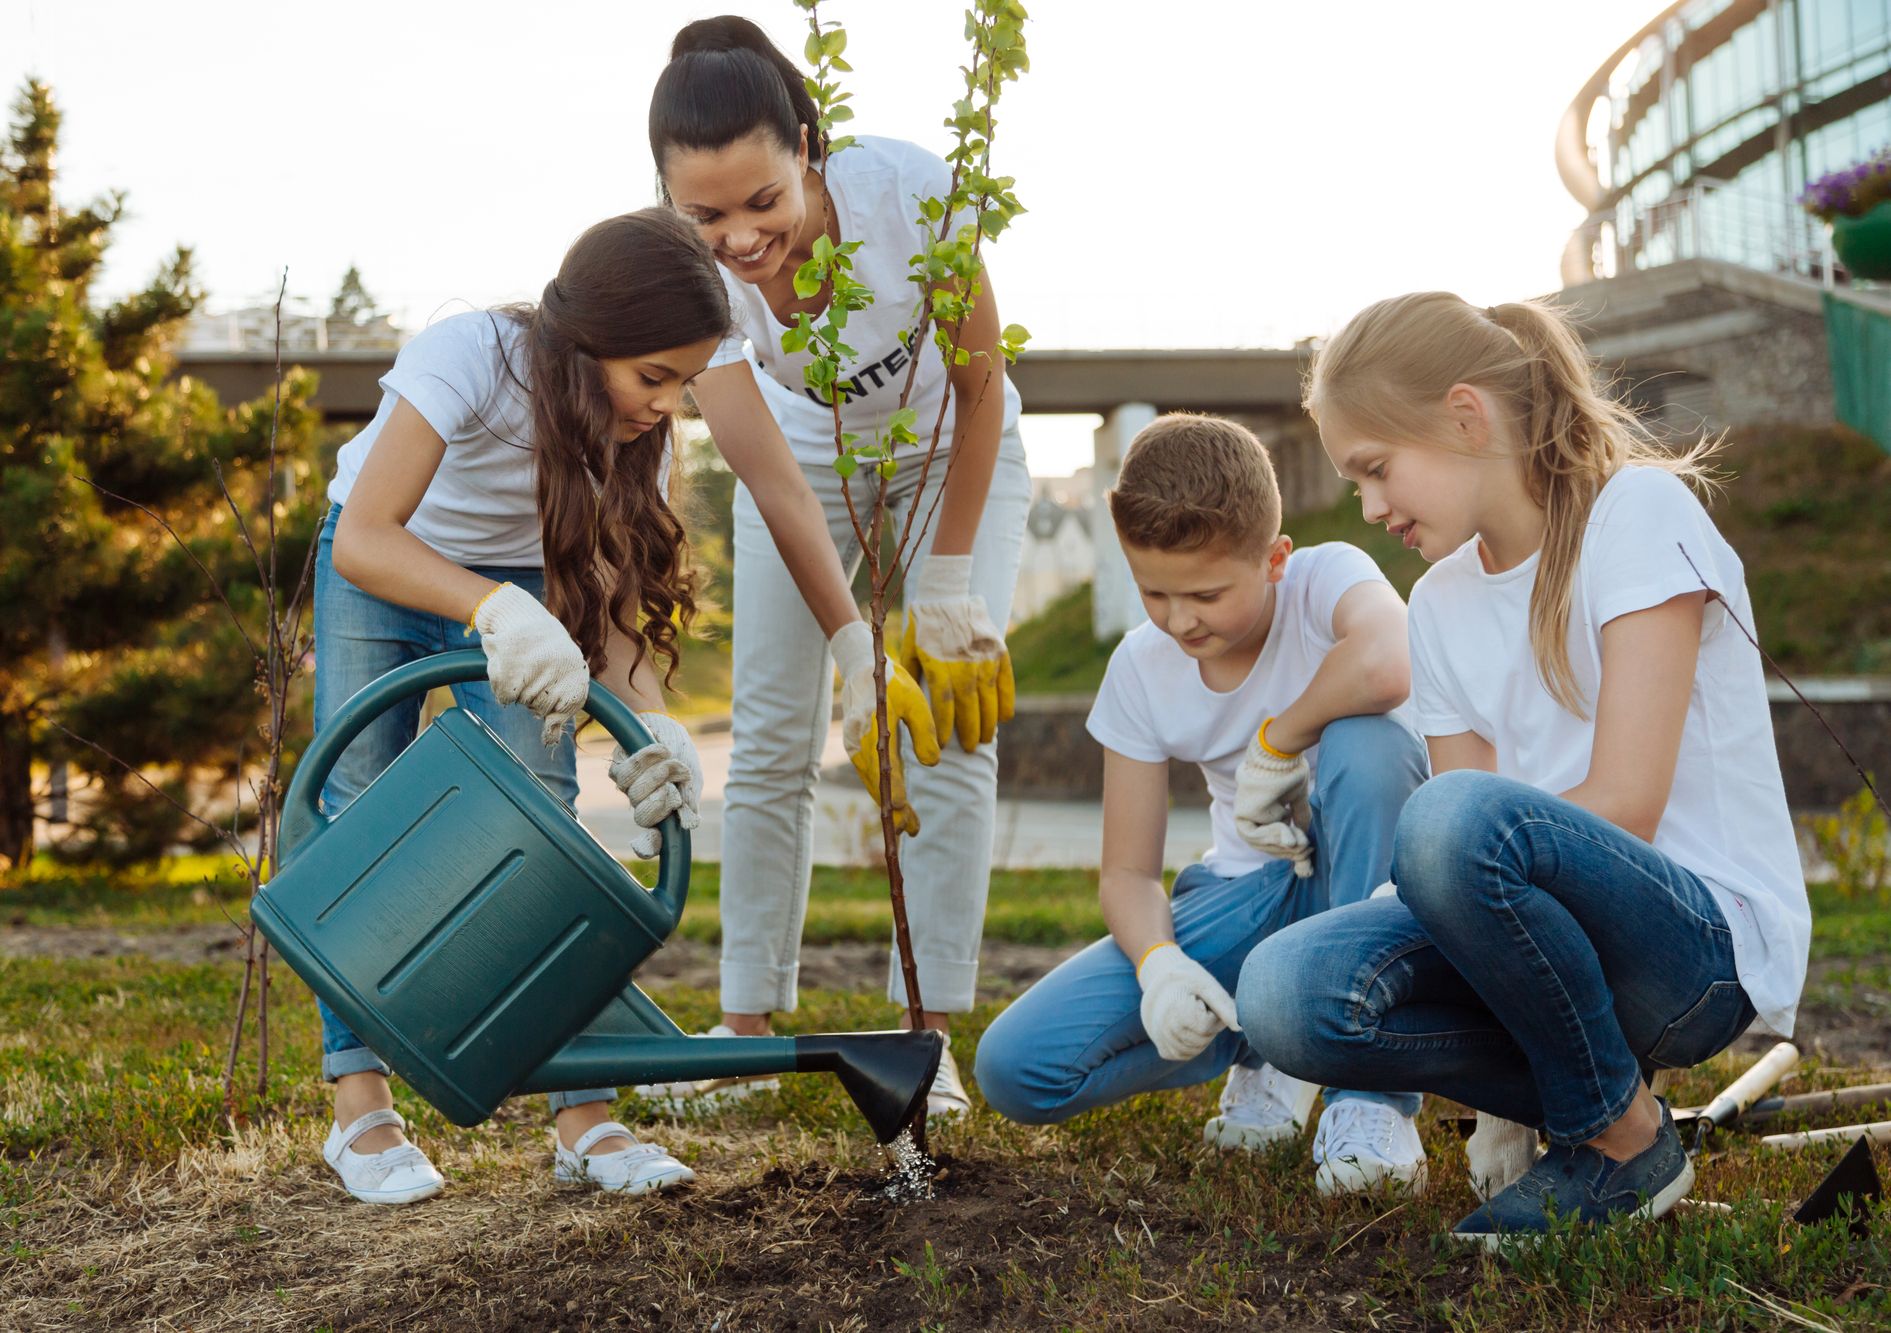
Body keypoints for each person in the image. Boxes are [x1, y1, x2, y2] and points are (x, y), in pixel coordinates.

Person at [1236, 293, 1811, 1246]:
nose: (1370, 507)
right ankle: (1581, 1100)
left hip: (1695, 953)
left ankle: (1620, 1138)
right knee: (1284, 992)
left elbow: (1625, 802)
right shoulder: (1440, 602)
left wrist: (1443, 855)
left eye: (1376, 470)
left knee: (1446, 819)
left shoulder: (1635, 511)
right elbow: (1455, 863)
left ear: (1466, 416)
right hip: (1549, 952)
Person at [642, 15, 1031, 1117]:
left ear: (809, 147)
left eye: (762, 202)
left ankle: (927, 1038)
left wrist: (942, 587)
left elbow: (979, 387)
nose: (740, 237)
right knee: (769, 740)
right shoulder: (688, 278)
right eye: (704, 215)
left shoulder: (914, 195)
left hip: (950, 463)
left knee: (948, 731)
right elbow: (769, 479)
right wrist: (856, 642)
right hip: (800, 479)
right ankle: (749, 1028)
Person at [312, 209, 732, 1202]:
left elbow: (619, 605)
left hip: (524, 587)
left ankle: (584, 1114)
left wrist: (652, 723)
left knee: (546, 829)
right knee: (356, 816)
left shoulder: (641, 440)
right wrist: (492, 606)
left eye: (684, 383)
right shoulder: (469, 357)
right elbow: (367, 537)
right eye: (654, 377)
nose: (667, 405)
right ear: (588, 343)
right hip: (387, 567)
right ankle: (360, 1107)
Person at [973, 415, 1430, 1195]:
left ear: (1274, 559)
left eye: (1207, 593)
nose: (1180, 619)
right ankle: (1271, 1047)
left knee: (1368, 740)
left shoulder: (1324, 578)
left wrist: (1278, 743)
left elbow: (1391, 660)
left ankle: (1369, 1099)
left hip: (1372, 886)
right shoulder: (1142, 668)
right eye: (1153, 591)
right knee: (1014, 1067)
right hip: (1249, 894)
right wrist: (1160, 968)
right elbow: (1125, 871)